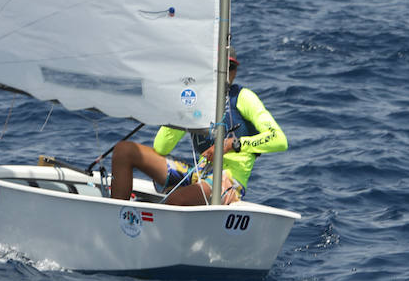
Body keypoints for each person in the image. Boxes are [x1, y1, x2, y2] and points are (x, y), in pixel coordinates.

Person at [109, 46, 286, 205]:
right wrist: (181, 109)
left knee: (177, 199)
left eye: (231, 67)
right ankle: (116, 217)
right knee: (124, 151)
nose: (226, 73)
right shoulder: (195, 101)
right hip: (197, 174)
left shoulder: (244, 97)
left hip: (228, 180)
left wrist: (233, 144)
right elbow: (161, 147)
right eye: (220, 68)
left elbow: (279, 140)